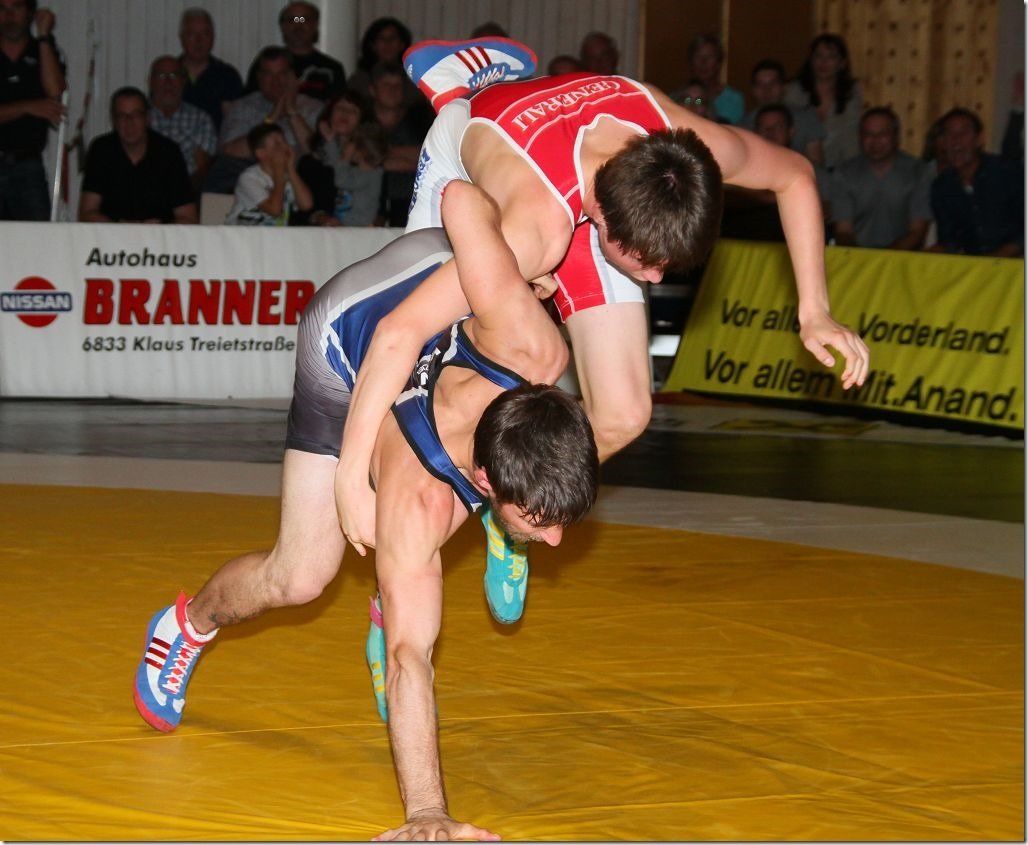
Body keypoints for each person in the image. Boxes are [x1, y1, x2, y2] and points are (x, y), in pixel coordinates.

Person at [335, 40, 871, 628]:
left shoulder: (685, 143)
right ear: (602, 217)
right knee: (452, 365)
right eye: (648, 265)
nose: (655, 279)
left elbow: (794, 175)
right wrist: (350, 479)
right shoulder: (534, 232)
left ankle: (508, 518)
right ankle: (401, 580)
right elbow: (397, 333)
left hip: (579, 178)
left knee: (624, 414)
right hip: (479, 172)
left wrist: (815, 310)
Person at [133, 180, 599, 841]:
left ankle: (455, 556)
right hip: (348, 341)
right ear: (487, 480)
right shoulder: (417, 502)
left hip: (436, 330)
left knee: (520, 291)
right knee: (301, 576)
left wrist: (520, 263)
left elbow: (466, 201)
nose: (556, 542)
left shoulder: (537, 348)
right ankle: (187, 625)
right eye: (540, 523)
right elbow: (411, 658)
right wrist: (427, 812)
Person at [207, 46, 320, 193]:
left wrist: (292, 112)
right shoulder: (242, 107)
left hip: (300, 185)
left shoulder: (312, 108)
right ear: (259, 78)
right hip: (252, 186)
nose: (276, 81)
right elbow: (228, 153)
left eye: (282, 74)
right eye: (268, 74)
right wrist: (272, 118)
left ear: (292, 76)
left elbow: (318, 154)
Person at [79, 87, 196, 224]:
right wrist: (119, 227)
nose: (129, 122)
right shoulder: (101, 150)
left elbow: (189, 217)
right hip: (111, 235)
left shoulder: (169, 152)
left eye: (136, 115)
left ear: (147, 118)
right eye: (122, 116)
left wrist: (159, 228)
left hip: (160, 236)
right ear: (114, 120)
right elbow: (86, 213)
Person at [829, 107, 933, 250]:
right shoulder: (845, 174)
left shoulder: (918, 172)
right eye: (868, 134)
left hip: (903, 256)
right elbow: (843, 232)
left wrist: (885, 258)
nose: (875, 140)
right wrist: (863, 258)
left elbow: (917, 232)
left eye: (882, 134)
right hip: (857, 256)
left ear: (896, 137)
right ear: (860, 138)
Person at [0, 0, 65, 221]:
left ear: (29, 13)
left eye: (16, 8)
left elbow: (55, 92)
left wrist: (44, 37)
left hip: (28, 165)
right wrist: (28, 107)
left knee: (36, 237)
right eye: (2, 9)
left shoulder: (42, 51)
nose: (9, 16)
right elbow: (40, 105)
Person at [929, 108, 1023, 257]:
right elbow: (948, 240)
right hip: (975, 265)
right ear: (943, 143)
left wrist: (996, 259)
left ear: (979, 140)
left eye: (963, 133)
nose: (955, 139)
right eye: (949, 134)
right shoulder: (942, 186)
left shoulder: (1008, 173)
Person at [299, 91, 386, 227]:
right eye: (340, 108)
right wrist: (321, 218)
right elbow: (301, 210)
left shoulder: (369, 164)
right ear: (329, 115)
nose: (345, 113)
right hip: (319, 234)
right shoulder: (310, 163)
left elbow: (381, 210)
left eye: (353, 110)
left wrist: (374, 222)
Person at [368, 61, 433, 227]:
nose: (393, 90)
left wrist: (381, 154)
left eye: (397, 85)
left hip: (411, 203)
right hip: (366, 202)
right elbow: (360, 157)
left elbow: (429, 157)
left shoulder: (419, 119)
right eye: (386, 85)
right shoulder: (362, 118)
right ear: (372, 90)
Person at [785, 34, 862, 168]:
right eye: (818, 56)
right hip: (799, 166)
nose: (823, 62)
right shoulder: (794, 91)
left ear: (842, 63)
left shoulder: (851, 93)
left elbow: (851, 137)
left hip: (840, 168)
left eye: (831, 57)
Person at [245, 1, 345, 101]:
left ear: (315, 25)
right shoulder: (267, 63)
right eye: (292, 20)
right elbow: (250, 101)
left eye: (304, 19)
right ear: (283, 27)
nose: (298, 26)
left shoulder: (332, 69)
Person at [148, 54, 218, 195]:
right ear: (151, 82)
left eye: (174, 75)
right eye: (161, 75)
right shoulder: (138, 118)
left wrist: (181, 193)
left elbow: (203, 168)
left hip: (186, 191)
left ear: (183, 81)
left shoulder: (200, 119)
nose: (168, 82)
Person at [741, 59, 824, 165]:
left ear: (783, 87)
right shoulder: (743, 127)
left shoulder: (807, 118)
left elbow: (817, 163)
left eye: (773, 83)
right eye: (760, 84)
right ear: (753, 90)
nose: (767, 90)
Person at [227, 123, 313, 225]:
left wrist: (291, 169)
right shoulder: (249, 178)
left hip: (274, 234)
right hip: (242, 233)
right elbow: (275, 210)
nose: (285, 147)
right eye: (277, 144)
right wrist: (279, 172)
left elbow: (306, 205)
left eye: (284, 141)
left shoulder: (288, 174)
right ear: (261, 154)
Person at [178, 7, 243, 132]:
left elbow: (234, 125)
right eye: (192, 34)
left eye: (205, 34)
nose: (199, 40)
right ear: (182, 37)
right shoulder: (169, 75)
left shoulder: (227, 76)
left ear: (213, 37)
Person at [346, 16, 421, 109]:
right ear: (372, 45)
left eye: (392, 38)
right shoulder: (359, 80)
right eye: (381, 38)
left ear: (402, 44)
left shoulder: (413, 77)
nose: (387, 43)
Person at [684, 33, 744, 125]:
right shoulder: (677, 97)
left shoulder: (734, 100)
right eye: (698, 56)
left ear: (719, 62)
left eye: (709, 57)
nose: (703, 62)